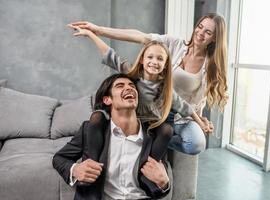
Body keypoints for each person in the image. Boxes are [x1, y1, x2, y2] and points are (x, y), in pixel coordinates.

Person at [68, 13, 228, 155]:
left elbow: (189, 105)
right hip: (153, 115)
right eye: (199, 27)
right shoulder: (169, 48)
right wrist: (96, 32)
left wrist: (200, 121)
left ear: (214, 38)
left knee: (192, 143)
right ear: (143, 59)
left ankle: (152, 140)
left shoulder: (173, 86)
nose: (200, 33)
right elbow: (121, 51)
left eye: (208, 32)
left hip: (176, 115)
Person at [52, 74, 170, 200]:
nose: (129, 88)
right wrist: (75, 170)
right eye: (120, 86)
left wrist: (164, 183)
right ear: (107, 100)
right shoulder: (90, 130)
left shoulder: (154, 136)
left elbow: (158, 189)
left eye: (132, 86)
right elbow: (59, 158)